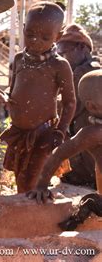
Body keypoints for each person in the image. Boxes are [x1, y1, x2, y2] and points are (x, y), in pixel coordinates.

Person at [0, 2, 76, 194]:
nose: (35, 40)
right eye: (30, 34)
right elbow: (13, 88)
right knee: (21, 180)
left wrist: (60, 131)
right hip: (19, 133)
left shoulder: (59, 66)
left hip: (44, 133)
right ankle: (28, 217)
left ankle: (34, 217)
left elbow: (70, 102)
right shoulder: (19, 59)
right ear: (23, 29)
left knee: (32, 181)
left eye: (45, 37)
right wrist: (6, 96)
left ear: (58, 36)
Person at [27, 71, 102, 229]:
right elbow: (58, 154)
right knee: (92, 202)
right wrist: (41, 185)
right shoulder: (93, 134)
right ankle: (73, 222)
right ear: (92, 106)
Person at [57, 24, 101, 188]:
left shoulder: (86, 72)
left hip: (87, 166)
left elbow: (68, 108)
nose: (60, 58)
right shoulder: (76, 70)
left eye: (63, 53)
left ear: (81, 47)